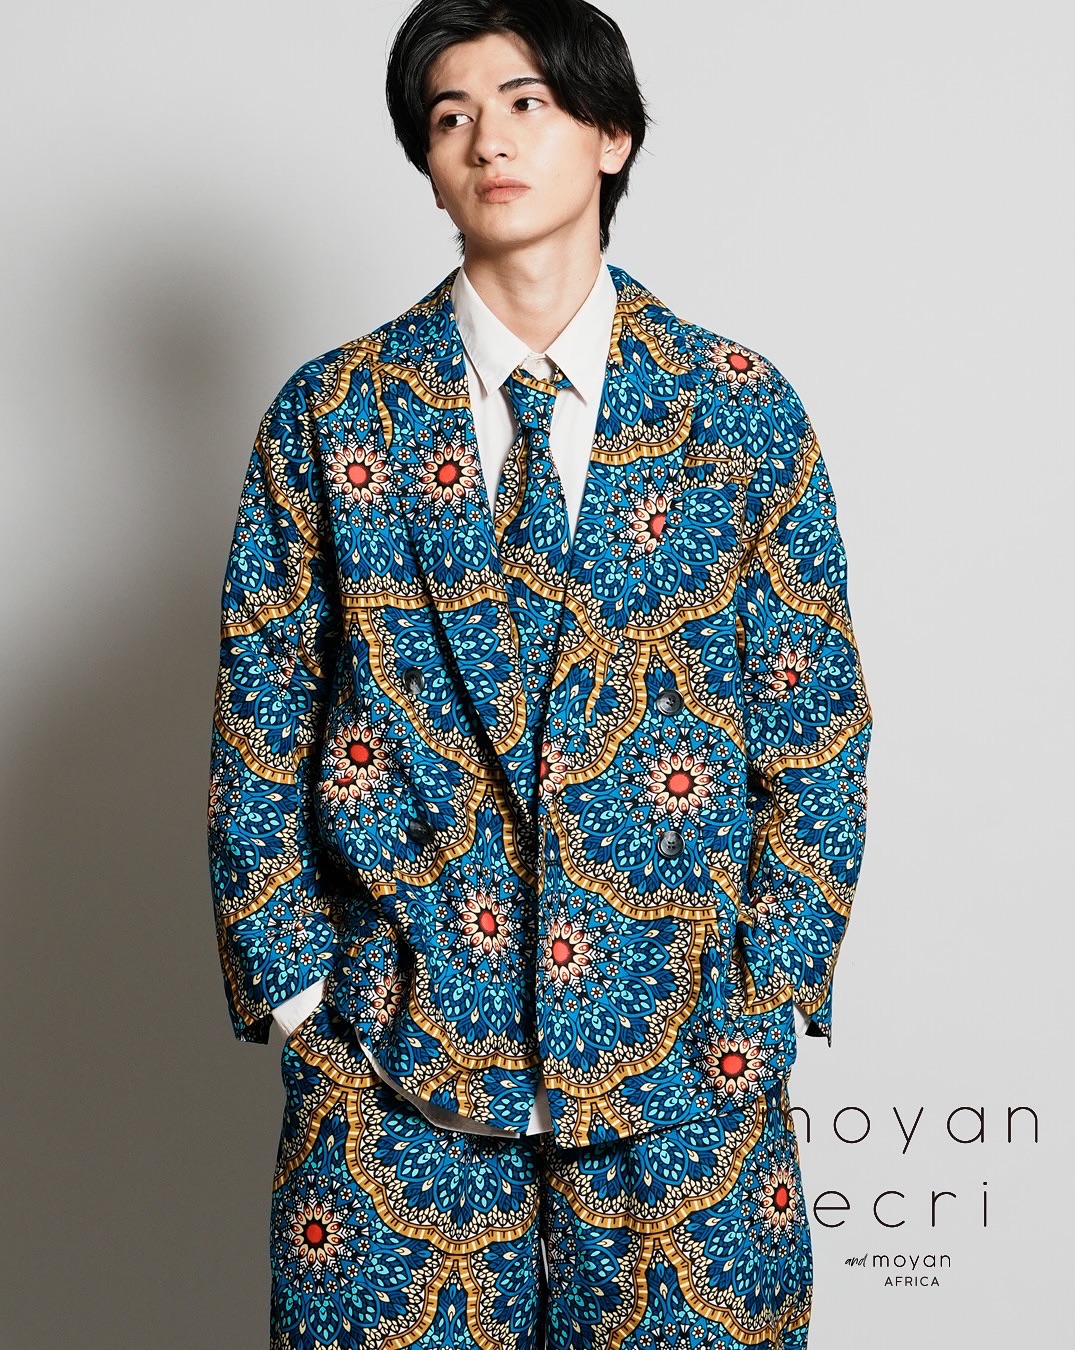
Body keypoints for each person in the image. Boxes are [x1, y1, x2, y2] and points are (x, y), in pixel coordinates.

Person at [206, 2, 873, 1346]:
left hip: (686, 1075)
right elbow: (258, 721)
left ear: (610, 135)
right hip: (396, 1083)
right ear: (426, 162)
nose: (486, 141)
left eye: (526, 103)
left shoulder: (739, 409)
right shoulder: (332, 416)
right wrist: (302, 1000)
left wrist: (772, 987)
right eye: (449, 116)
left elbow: (816, 724)